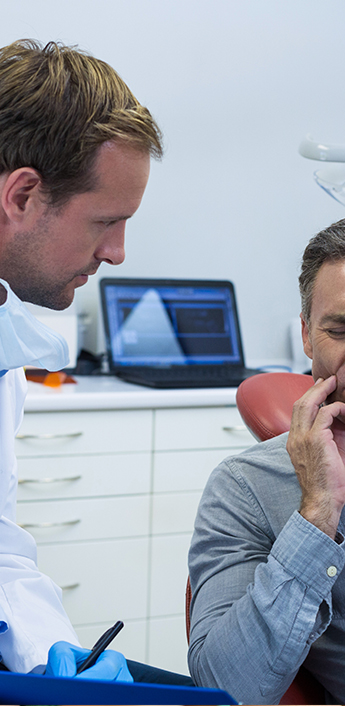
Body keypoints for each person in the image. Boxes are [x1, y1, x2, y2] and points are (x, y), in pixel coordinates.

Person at [188, 213, 345, 705]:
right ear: (308, 335)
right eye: (341, 328)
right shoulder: (245, 488)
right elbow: (226, 689)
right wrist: (318, 512)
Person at [0, 38, 193, 686]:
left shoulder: (6, 346)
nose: (117, 253)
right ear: (22, 196)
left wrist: (49, 658)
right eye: (105, 222)